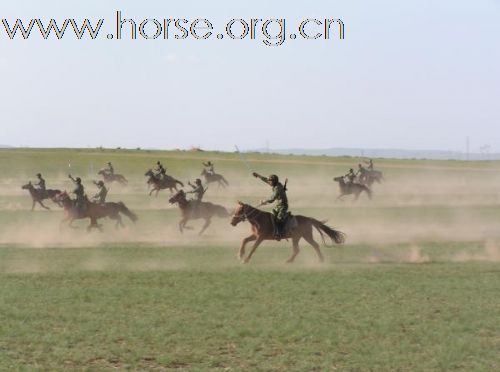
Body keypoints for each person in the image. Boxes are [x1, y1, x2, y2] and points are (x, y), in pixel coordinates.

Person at [253, 172, 289, 240]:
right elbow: (266, 180)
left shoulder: (277, 188)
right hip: (278, 206)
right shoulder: (275, 184)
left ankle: (280, 233)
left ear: (274, 182)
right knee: (272, 217)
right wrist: (258, 175)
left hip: (283, 206)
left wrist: (264, 201)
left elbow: (272, 198)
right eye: (269, 181)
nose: (269, 182)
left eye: (270, 181)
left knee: (278, 219)